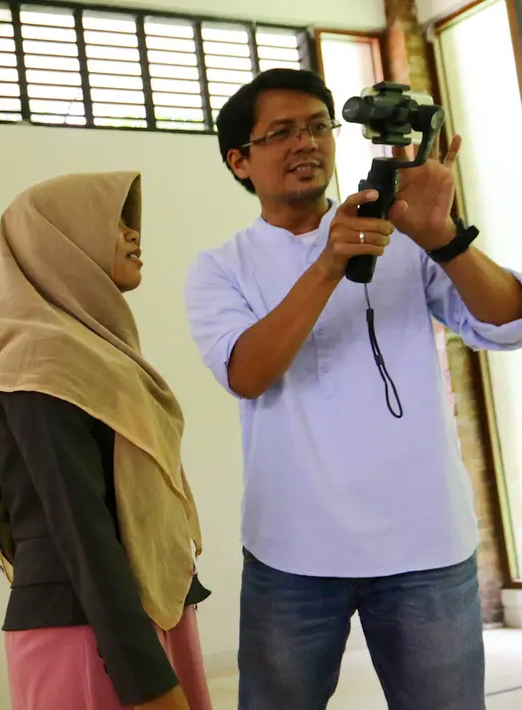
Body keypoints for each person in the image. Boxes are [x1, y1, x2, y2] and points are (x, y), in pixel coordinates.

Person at [184, 68, 522, 710]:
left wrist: (444, 237)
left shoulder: (407, 239)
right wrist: (331, 262)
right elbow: (247, 372)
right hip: (292, 553)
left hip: (425, 545)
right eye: (280, 132)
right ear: (240, 161)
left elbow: (507, 322)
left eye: (317, 126)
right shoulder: (219, 267)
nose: (306, 142)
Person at [0, 172, 212, 710]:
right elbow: (81, 532)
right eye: (114, 222)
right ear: (57, 243)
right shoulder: (39, 364)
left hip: (144, 615)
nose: (133, 235)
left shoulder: (97, 353)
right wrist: (147, 681)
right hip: (88, 631)